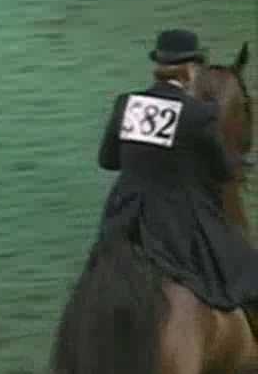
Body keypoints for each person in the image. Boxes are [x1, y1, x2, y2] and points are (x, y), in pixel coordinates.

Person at [97, 29, 258, 325]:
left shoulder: (127, 104)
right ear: (190, 70)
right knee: (250, 270)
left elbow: (107, 161)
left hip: (123, 220)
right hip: (177, 224)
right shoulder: (198, 115)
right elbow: (220, 172)